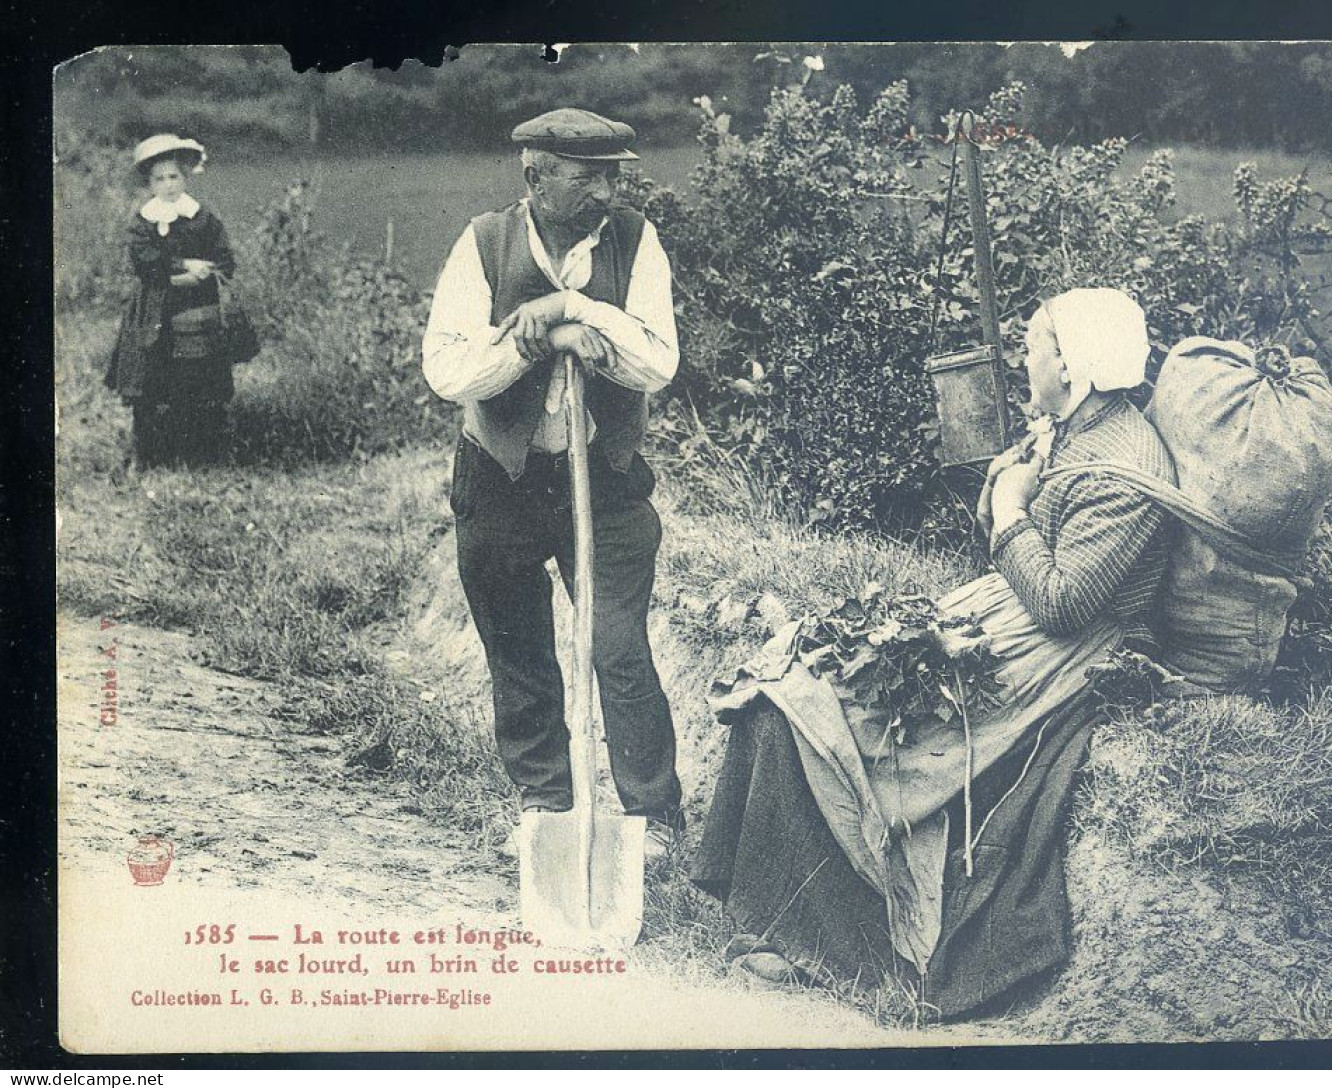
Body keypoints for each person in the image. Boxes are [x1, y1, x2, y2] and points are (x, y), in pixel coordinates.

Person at [691, 288, 1175, 1018]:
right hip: (1010, 615)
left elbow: (1065, 604)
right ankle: (775, 914)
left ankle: (828, 941)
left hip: (1048, 651)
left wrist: (1011, 510)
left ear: (1071, 368)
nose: (1024, 363)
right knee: (797, 675)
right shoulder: (1079, 428)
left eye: (1034, 349)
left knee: (831, 721)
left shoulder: (1122, 471)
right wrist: (1015, 479)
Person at [421, 108, 684, 855]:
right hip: (500, 478)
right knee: (519, 644)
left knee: (618, 647)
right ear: (534, 177)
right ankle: (546, 806)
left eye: (613, 175)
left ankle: (651, 817)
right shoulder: (482, 243)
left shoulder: (635, 240)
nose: (606, 191)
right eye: (587, 176)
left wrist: (572, 307)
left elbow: (655, 362)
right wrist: (539, 344)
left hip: (603, 479)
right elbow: (450, 372)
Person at [105, 134, 238, 467]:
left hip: (196, 306)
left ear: (185, 177)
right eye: (159, 178)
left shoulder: (202, 217)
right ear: (149, 183)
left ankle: (200, 454)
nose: (168, 185)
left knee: (197, 381)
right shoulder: (143, 221)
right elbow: (144, 261)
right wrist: (182, 267)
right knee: (150, 380)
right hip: (154, 307)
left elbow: (225, 258)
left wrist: (204, 270)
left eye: (174, 176)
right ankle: (149, 455)